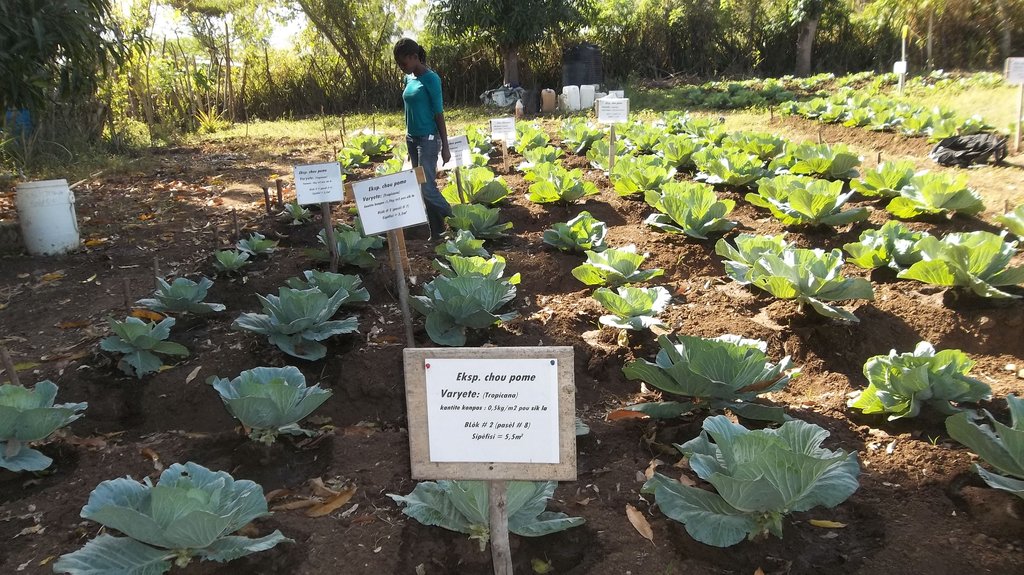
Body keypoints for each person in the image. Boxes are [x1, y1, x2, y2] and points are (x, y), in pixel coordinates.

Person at [394, 38, 451, 240]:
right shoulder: (408, 79)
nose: (402, 68)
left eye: (404, 63)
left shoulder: (431, 79)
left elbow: (439, 113)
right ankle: (437, 232)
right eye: (399, 64)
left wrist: (445, 146)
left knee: (427, 187)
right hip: (412, 139)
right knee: (421, 186)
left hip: (428, 139)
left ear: (415, 57)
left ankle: (455, 218)